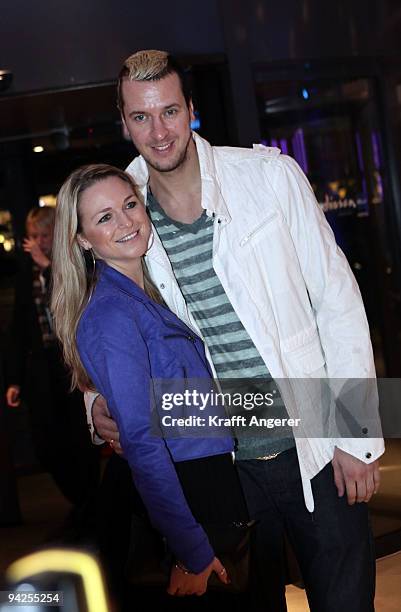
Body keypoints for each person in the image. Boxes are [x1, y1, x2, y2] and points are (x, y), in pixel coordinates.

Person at [89, 50, 384, 611]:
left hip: (316, 446)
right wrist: (94, 401)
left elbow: (337, 300)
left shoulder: (267, 178)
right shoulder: (119, 210)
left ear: (191, 110)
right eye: (142, 117)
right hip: (221, 472)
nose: (159, 131)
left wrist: (356, 437)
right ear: (124, 123)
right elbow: (103, 320)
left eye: (170, 111)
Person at [51, 163, 249, 606]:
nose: (126, 221)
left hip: (209, 481)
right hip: (190, 496)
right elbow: (142, 442)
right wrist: (191, 550)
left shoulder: (145, 293)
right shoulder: (109, 315)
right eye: (104, 217)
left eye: (129, 205)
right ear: (82, 239)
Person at [5, 206, 99, 533]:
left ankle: (91, 506)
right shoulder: (24, 273)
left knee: (79, 439)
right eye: (34, 236)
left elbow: (70, 303)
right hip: (41, 368)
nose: (39, 242)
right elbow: (18, 328)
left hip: (70, 363)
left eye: (44, 235)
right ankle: (83, 501)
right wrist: (14, 379)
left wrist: (48, 268)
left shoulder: (69, 265)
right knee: (46, 444)